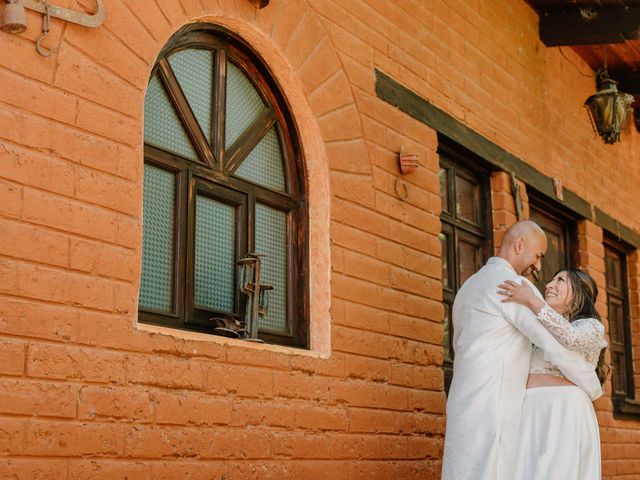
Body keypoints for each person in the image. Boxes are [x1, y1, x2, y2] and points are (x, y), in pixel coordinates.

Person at [441, 221, 602, 480]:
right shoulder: (512, 286)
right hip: (496, 400)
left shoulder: (467, 287)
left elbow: (457, 342)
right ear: (519, 245)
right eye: (538, 256)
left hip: (463, 399)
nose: (538, 266)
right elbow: (549, 341)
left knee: (464, 469)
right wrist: (591, 383)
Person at [497, 268, 607, 480]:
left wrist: (531, 300)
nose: (549, 285)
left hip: (563, 409)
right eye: (551, 279)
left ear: (579, 292)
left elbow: (570, 337)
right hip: (529, 409)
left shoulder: (592, 327)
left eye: (560, 280)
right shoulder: (536, 327)